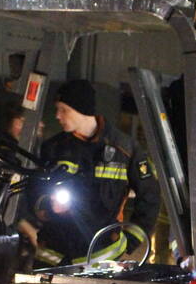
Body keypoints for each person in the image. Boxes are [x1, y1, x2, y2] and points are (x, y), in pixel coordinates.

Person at [18, 79, 159, 267]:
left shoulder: (125, 149)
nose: (57, 116)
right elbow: (34, 188)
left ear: (81, 109)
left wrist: (131, 240)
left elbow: (150, 196)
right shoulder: (54, 148)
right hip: (52, 254)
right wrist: (47, 205)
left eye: (63, 109)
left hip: (102, 256)